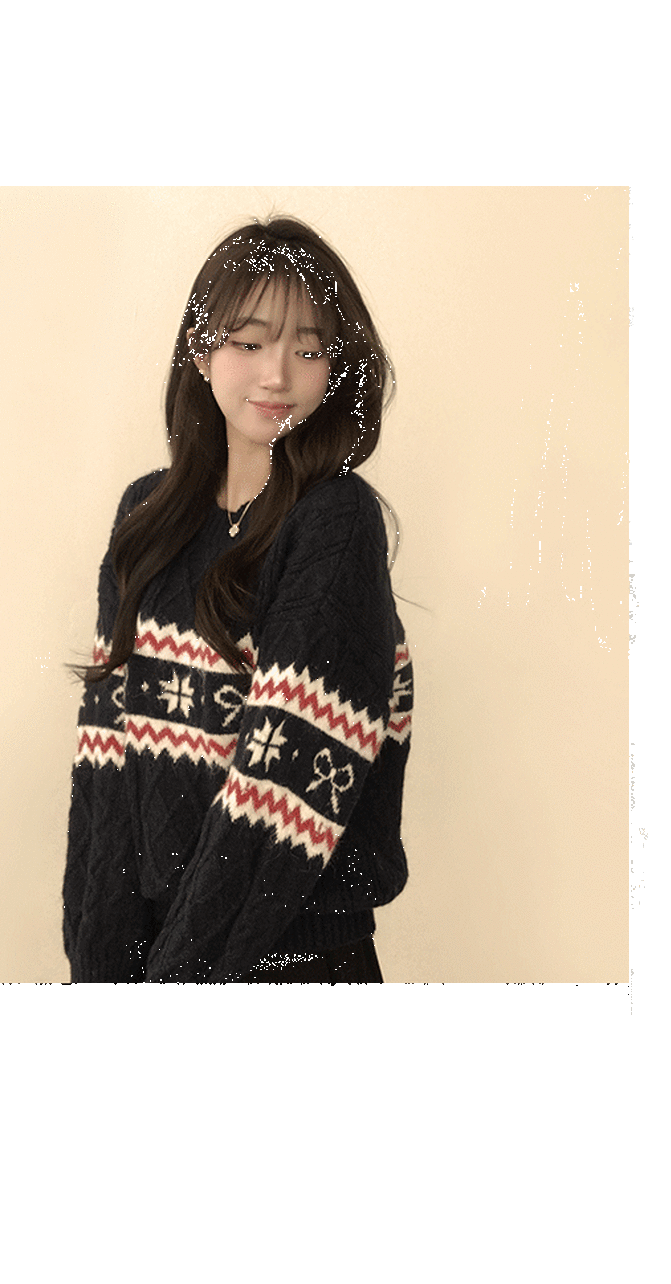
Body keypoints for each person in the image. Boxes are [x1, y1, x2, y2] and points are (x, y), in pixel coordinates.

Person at [62, 217, 413, 983]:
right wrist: (96, 972)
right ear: (200, 350)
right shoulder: (146, 517)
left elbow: (276, 799)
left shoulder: (336, 522)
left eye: (310, 349)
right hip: (163, 960)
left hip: (297, 961)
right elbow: (105, 768)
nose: (276, 375)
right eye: (249, 342)